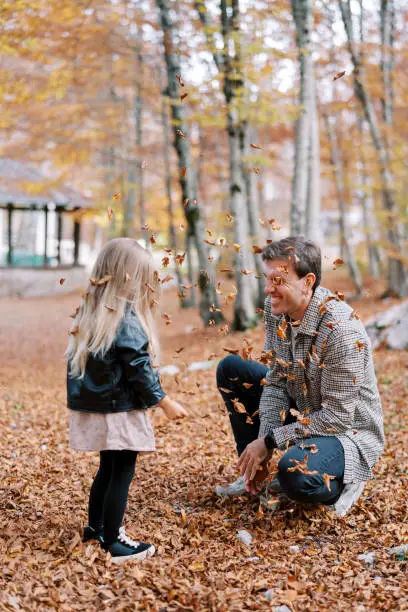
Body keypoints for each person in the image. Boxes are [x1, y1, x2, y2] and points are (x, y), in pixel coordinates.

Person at [216, 236, 385, 516]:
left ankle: (346, 480)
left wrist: (271, 440)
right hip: (304, 405)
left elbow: (337, 419)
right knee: (233, 369)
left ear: (307, 282)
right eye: (267, 279)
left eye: (278, 281)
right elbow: (277, 380)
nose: (269, 289)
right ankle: (253, 471)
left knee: (296, 477)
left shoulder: (342, 332)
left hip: (346, 431)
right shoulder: (277, 311)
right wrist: (262, 448)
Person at [67, 238, 188, 563]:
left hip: (102, 407)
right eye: (143, 278)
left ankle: (96, 528)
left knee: (107, 468)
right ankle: (114, 541)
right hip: (119, 409)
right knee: (122, 471)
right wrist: (164, 401)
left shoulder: (92, 314)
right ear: (126, 278)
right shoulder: (126, 318)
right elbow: (138, 368)